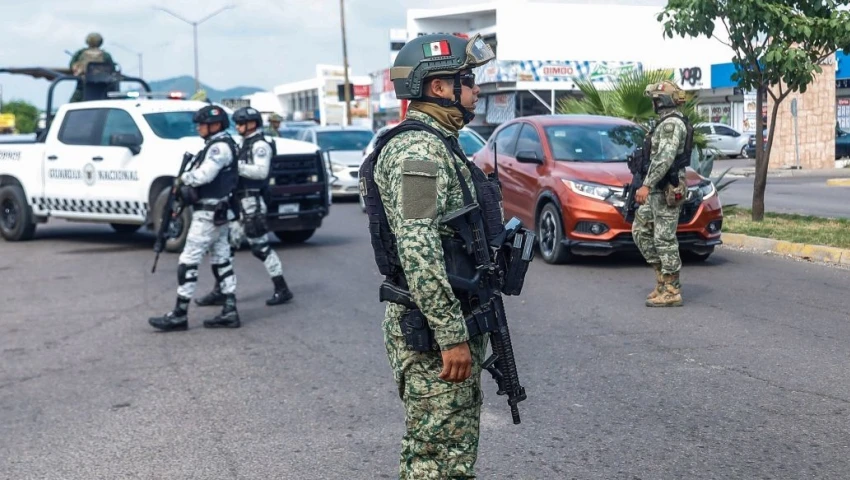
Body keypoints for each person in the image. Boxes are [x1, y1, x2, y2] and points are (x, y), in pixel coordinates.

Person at [365, 33, 497, 478]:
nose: (476, 89)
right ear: (439, 87)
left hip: (448, 319)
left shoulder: (442, 143)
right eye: (468, 79)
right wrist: (450, 334)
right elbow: (418, 246)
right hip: (431, 330)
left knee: (449, 451)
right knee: (436, 460)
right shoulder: (417, 152)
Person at [148, 105, 241, 331]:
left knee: (188, 261)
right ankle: (230, 310)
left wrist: (182, 179)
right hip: (218, 212)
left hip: (208, 214)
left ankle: (179, 314)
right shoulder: (220, 144)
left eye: (202, 124)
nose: (199, 128)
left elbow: (205, 175)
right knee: (221, 261)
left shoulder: (219, 148)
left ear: (215, 125)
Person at [195, 106, 294, 308]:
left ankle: (282, 288)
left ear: (252, 124)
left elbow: (260, 172)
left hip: (252, 203)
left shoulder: (260, 145)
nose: (238, 126)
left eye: (242, 123)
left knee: (261, 247)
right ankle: (221, 290)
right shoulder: (245, 143)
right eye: (237, 123)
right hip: (239, 202)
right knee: (225, 249)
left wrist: (234, 166)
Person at [633, 80, 693, 308]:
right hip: (658, 189)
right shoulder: (661, 123)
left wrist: (646, 184)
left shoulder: (672, 125)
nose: (653, 103)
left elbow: (665, 158)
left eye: (655, 99)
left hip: (667, 189)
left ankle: (672, 289)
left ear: (663, 100)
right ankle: (661, 279)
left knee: (664, 239)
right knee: (640, 230)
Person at [68, 32, 115, 103]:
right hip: (102, 88)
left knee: (72, 105)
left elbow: (71, 66)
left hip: (83, 87)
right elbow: (112, 69)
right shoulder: (106, 55)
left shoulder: (80, 53)